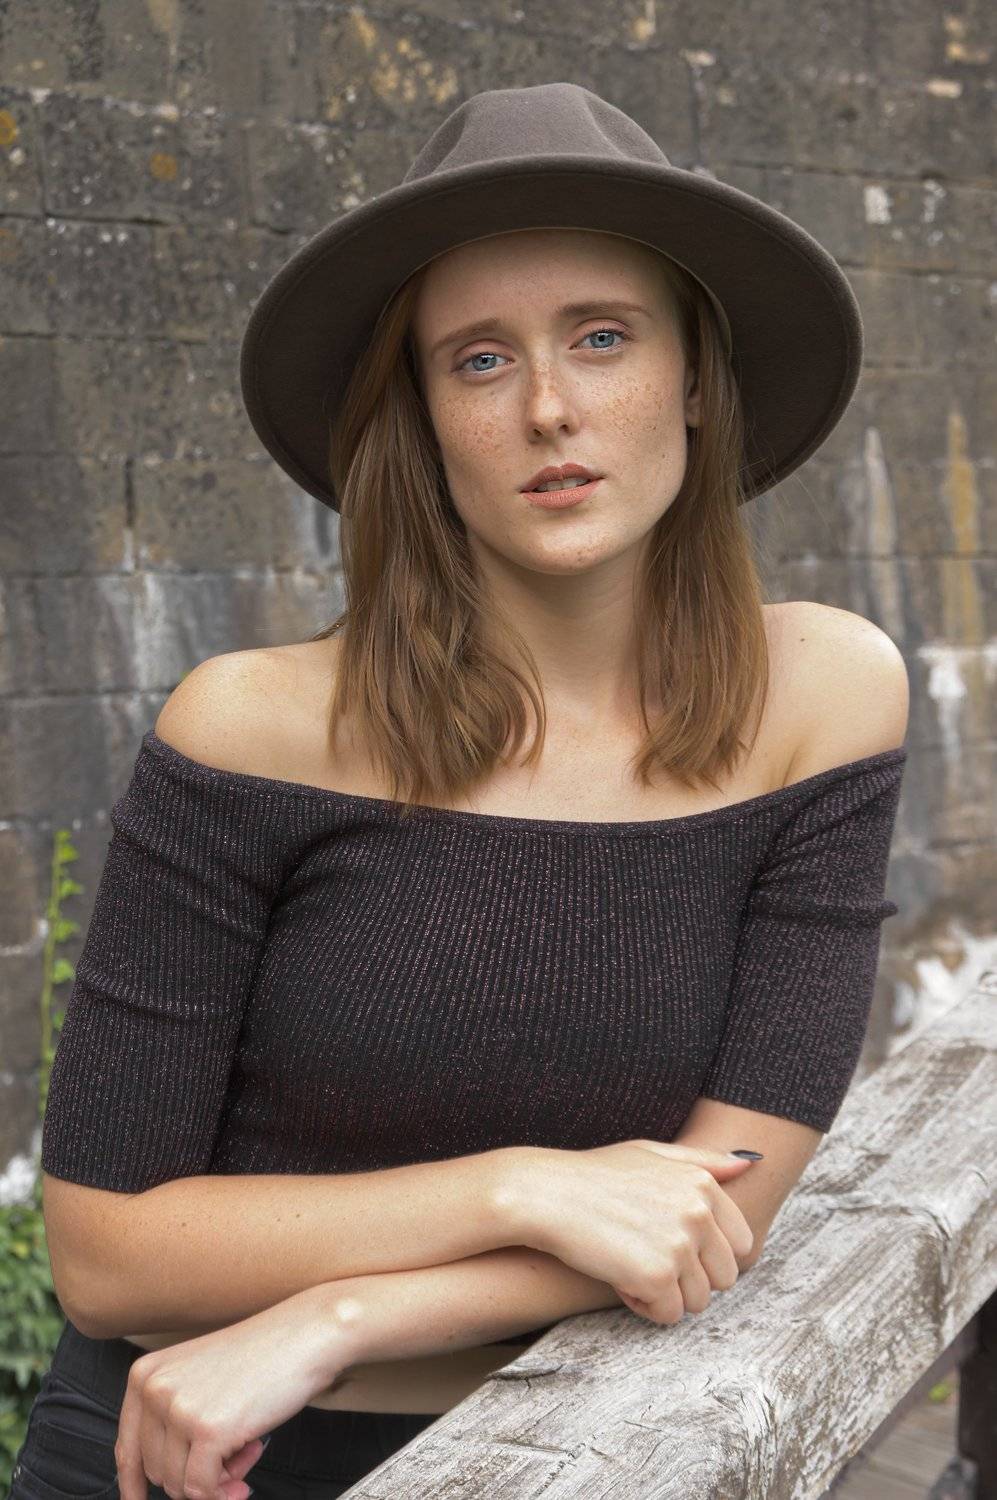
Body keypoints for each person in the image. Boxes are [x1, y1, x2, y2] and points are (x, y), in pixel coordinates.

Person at [12, 82, 909, 1500]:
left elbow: (715, 1198)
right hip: (182, 1445)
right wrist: (523, 1183)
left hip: (574, 1446)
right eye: (478, 360)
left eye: (601, 337)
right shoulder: (252, 730)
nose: (549, 407)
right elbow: (106, 1252)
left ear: (693, 377)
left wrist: (344, 1315)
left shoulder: (822, 702)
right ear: (422, 417)